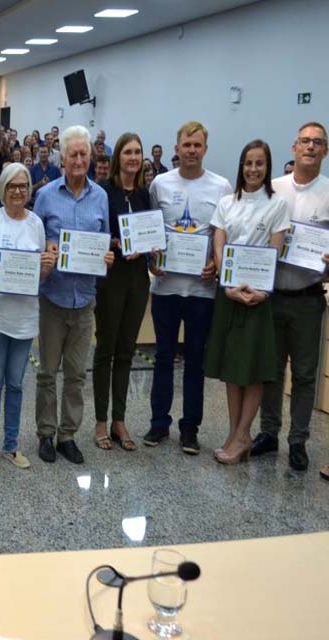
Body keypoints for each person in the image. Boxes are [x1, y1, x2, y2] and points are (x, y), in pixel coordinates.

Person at [145, 121, 233, 454]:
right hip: (166, 288)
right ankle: (158, 425)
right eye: (186, 145)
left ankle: (190, 429)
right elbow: (151, 231)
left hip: (202, 291)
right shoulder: (160, 184)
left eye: (197, 145)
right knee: (163, 358)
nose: (192, 150)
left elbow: (223, 235)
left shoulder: (221, 187)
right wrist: (151, 260)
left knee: (195, 361)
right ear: (177, 148)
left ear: (205, 149)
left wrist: (217, 261)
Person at [205, 139, 289, 464]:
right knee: (231, 367)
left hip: (258, 297)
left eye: (259, 164)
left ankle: (243, 435)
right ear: (240, 167)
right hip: (229, 294)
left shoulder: (277, 204)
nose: (253, 169)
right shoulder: (227, 202)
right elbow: (219, 243)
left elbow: (276, 250)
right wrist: (226, 284)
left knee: (252, 369)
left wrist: (263, 292)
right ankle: (234, 433)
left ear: (267, 168)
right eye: (248, 163)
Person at [33, 125, 114, 465]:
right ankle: (46, 434)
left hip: (85, 301)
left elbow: (105, 239)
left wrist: (107, 256)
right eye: (73, 155)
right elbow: (33, 242)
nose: (79, 160)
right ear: (61, 159)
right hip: (53, 298)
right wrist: (45, 254)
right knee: (48, 372)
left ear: (90, 157)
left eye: (84, 154)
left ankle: (69, 435)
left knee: (77, 374)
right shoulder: (46, 195)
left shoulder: (101, 197)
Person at [253, 122, 329, 471]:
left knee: (303, 373)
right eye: (304, 141)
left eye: (317, 143)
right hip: (271, 294)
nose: (310, 147)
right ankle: (268, 433)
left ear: (325, 151)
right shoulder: (273, 188)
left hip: (308, 297)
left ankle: (298, 440)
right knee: (269, 368)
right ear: (294, 147)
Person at [0, 163, 53, 470]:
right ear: (2, 189)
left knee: (16, 384)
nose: (18, 191)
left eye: (23, 185)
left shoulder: (37, 224)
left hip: (25, 318)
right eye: (12, 186)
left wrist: (45, 268)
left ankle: (12, 445)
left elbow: (40, 277)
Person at [93, 133, 153, 452]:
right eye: (128, 152)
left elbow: (152, 231)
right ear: (118, 156)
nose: (133, 157)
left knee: (127, 350)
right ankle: (100, 421)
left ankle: (120, 419)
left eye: (138, 152)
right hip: (111, 276)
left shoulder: (145, 194)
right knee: (106, 349)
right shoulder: (104, 192)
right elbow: (94, 234)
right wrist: (115, 243)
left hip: (137, 279)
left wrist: (152, 245)